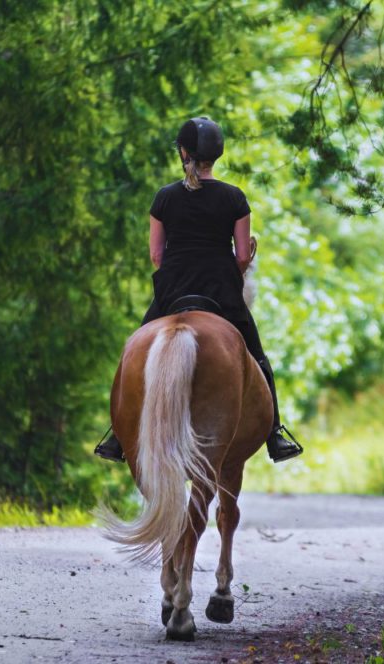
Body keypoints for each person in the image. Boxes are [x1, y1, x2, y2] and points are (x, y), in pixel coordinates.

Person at [94, 116, 303, 464]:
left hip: (172, 290)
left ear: (183, 153)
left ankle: (117, 435)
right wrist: (244, 258)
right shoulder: (234, 197)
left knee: (133, 351)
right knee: (258, 357)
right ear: (216, 156)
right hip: (221, 290)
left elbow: (156, 256)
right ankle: (275, 434)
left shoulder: (164, 198)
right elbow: (240, 258)